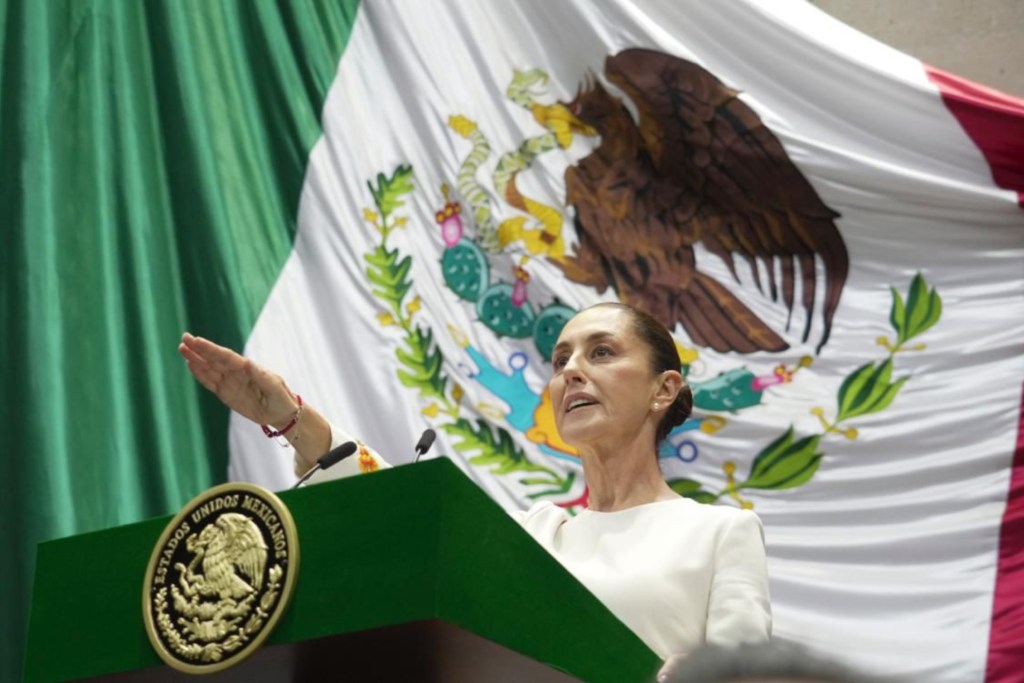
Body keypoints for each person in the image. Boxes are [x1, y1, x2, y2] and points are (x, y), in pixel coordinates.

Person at [179, 302, 772, 660]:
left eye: (602, 353)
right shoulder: (534, 536)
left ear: (663, 389)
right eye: (561, 360)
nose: (571, 373)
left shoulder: (720, 533)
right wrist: (289, 419)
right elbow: (402, 516)